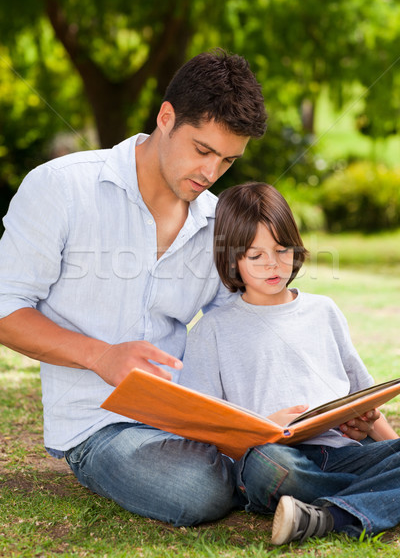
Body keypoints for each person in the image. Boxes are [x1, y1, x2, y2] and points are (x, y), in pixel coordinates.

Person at [0, 50, 376, 527]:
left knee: (263, 463)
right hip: (101, 426)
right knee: (197, 491)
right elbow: (6, 307)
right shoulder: (62, 188)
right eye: (202, 150)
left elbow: (247, 325)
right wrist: (101, 356)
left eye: (228, 160)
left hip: (203, 422)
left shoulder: (222, 223)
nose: (211, 173)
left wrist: (310, 413)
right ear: (166, 117)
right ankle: (328, 481)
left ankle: (303, 477)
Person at [180, 181, 400, 544]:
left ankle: (328, 516)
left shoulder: (323, 311)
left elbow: (366, 406)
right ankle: (372, 497)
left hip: (341, 454)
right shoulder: (213, 330)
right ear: (231, 259)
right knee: (271, 467)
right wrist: (263, 428)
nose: (273, 264)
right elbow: (203, 428)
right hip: (277, 461)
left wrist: (389, 450)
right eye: (256, 256)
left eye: (282, 250)